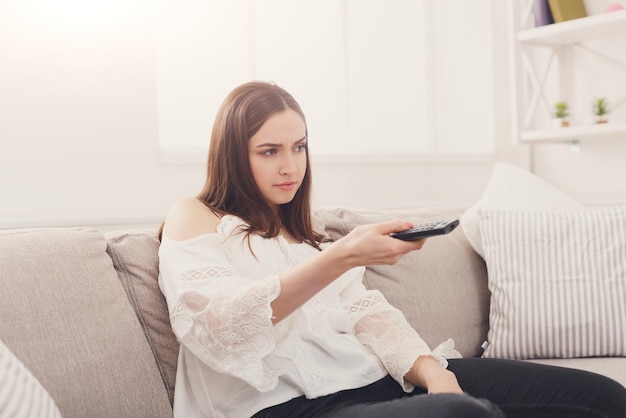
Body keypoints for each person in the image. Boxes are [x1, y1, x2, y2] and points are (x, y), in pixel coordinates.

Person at [157, 81, 626, 418]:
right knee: (462, 414)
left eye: (299, 147)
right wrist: (341, 257)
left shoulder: (306, 233)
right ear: (234, 154)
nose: (290, 166)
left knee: (604, 398)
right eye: (269, 151)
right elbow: (219, 326)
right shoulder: (194, 215)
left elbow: (369, 318)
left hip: (376, 384)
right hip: (283, 408)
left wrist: (432, 373)